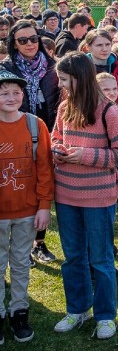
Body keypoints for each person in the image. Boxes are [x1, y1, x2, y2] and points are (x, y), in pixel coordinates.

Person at [51, 52, 118, 340]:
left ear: (79, 79)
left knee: (101, 259)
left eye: (64, 79)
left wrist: (87, 156)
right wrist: (57, 149)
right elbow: (57, 136)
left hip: (99, 197)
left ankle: (106, 315)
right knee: (72, 258)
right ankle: (77, 309)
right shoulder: (64, 107)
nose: (60, 84)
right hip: (66, 193)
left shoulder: (110, 111)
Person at [0, 69, 53, 344]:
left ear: (24, 95)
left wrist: (44, 205)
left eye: (16, 92)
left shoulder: (35, 125)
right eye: (4, 92)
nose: (11, 97)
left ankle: (19, 311)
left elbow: (45, 169)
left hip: (27, 211)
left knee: (20, 262)